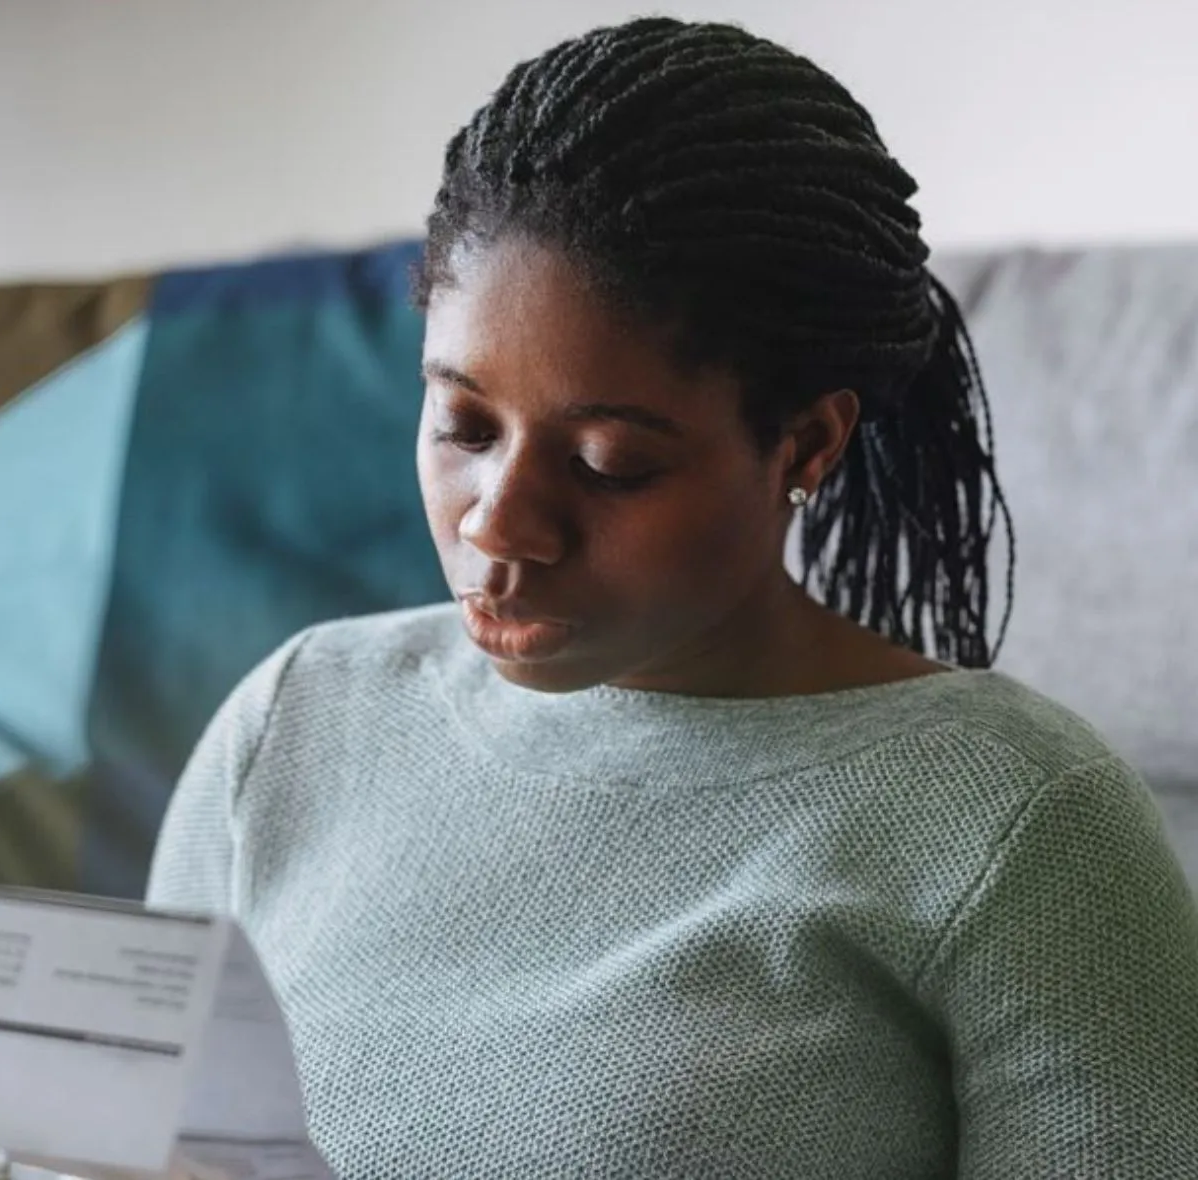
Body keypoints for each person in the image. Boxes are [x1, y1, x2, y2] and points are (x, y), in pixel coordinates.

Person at [146, 17, 1198, 1179]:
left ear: (806, 443)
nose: (498, 523)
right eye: (464, 426)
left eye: (608, 463)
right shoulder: (296, 719)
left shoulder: (1019, 823)